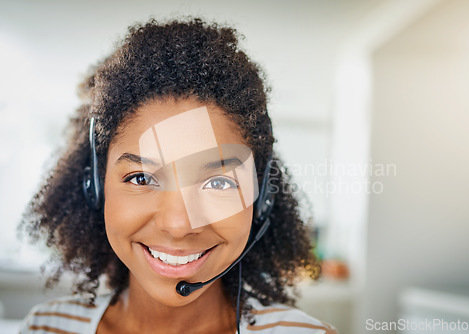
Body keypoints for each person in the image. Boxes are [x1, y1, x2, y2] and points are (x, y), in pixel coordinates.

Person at [19, 18, 337, 334]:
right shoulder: (46, 328)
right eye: (141, 178)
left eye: (219, 182)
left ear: (262, 198)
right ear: (95, 187)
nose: (178, 225)